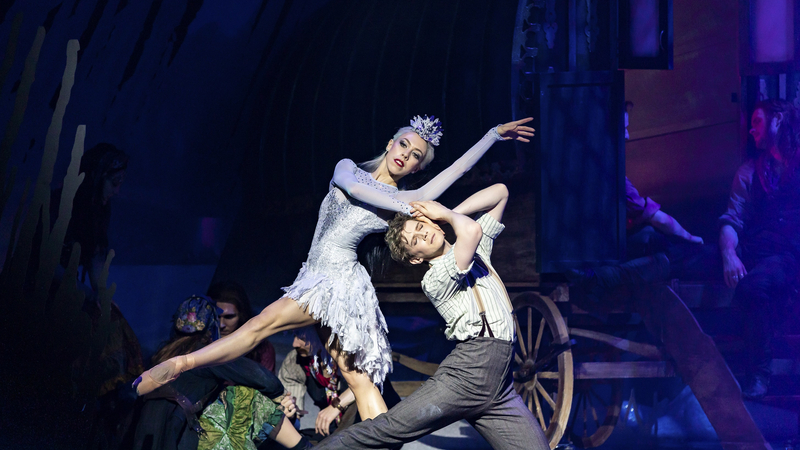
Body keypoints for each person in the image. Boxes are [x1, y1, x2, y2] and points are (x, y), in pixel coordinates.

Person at [134, 115, 535, 421]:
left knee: (260, 326)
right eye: (404, 145)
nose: (405, 155)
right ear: (391, 141)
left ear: (416, 169)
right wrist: (407, 202)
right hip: (318, 273)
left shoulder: (407, 196)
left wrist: (491, 137)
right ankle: (385, 441)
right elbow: (359, 189)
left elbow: (454, 175)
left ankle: (179, 364)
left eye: (415, 157)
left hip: (337, 282)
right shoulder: (349, 169)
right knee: (358, 381)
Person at [570, 99, 800, 400]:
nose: (752, 131)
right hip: (752, 249)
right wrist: (729, 254)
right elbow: (732, 220)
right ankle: (607, 277)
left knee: (753, 288)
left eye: (757, 122)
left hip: (786, 257)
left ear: (778, 120)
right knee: (685, 254)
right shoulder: (749, 171)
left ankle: (759, 374)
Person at [315, 184, 549, 450]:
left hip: (502, 383)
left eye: (421, 226)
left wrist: (445, 215)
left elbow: (501, 193)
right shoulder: (435, 279)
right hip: (470, 372)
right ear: (415, 259)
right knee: (387, 429)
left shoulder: (477, 251)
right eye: (415, 241)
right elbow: (471, 231)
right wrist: (447, 215)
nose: (423, 235)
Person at [129, 295, 311, 450]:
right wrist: (279, 396)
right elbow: (263, 378)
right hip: (177, 439)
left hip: (144, 440)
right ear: (212, 325)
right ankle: (304, 447)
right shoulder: (200, 355)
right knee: (243, 396)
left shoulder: (160, 356)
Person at [277, 327, 401, 441]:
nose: (295, 344)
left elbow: (371, 379)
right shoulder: (296, 362)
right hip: (337, 430)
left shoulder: (350, 351)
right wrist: (290, 413)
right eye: (294, 336)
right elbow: (295, 418)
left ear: (321, 335)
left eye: (302, 338)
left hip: (377, 423)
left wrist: (336, 406)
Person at [207, 280, 276, 372]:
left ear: (242, 316)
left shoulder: (261, 349)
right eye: (216, 317)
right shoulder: (197, 343)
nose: (221, 324)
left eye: (229, 317)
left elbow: (267, 384)